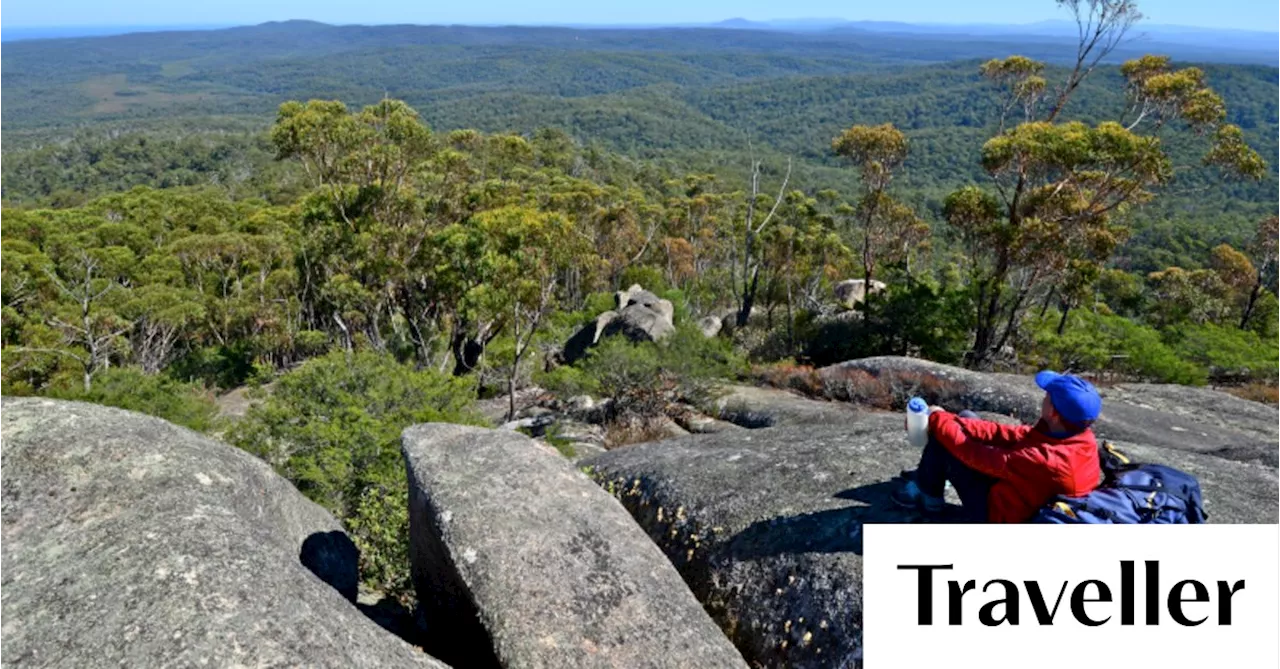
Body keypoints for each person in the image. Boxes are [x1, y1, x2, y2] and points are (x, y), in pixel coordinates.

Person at [890, 370, 1103, 523]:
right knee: (965, 419)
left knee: (945, 443)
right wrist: (953, 419)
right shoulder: (1079, 437)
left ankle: (929, 499)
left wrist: (936, 418)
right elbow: (1012, 434)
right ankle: (931, 474)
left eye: (1047, 396)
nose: (1043, 398)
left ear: (1054, 412)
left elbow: (971, 453)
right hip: (1021, 493)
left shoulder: (1044, 461)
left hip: (999, 517)